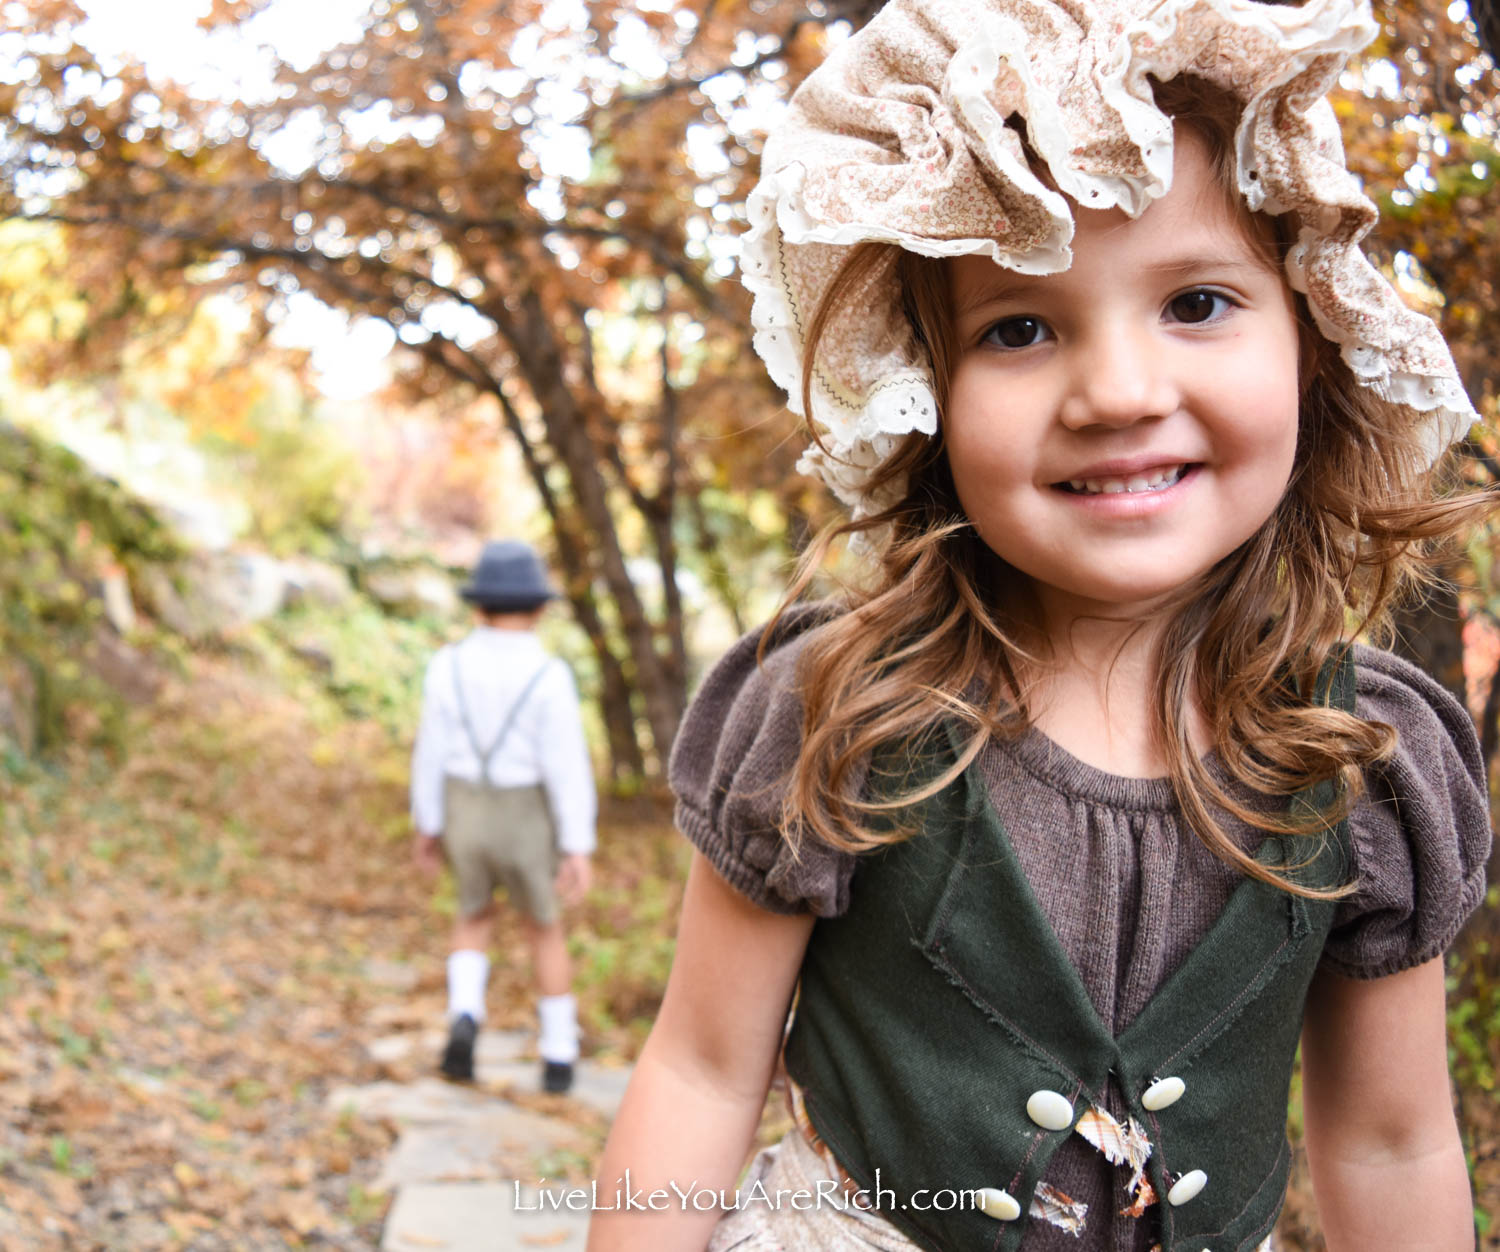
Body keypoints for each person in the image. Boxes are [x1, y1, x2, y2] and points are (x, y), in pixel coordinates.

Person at [589, 1, 1493, 1250]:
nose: (1119, 392)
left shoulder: (1363, 760)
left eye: (1198, 302)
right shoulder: (837, 709)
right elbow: (699, 1069)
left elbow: (1389, 1141)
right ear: (929, 394)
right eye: (1018, 327)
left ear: (1315, 338)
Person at [410, 539, 595, 1093]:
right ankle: (559, 1054)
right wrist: (577, 843)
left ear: (478, 606)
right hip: (524, 816)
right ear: (539, 608)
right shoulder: (548, 674)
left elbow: (430, 750)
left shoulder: (448, 665)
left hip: (465, 808)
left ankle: (464, 1017)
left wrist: (427, 824)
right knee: (543, 928)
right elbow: (566, 765)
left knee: (472, 916)